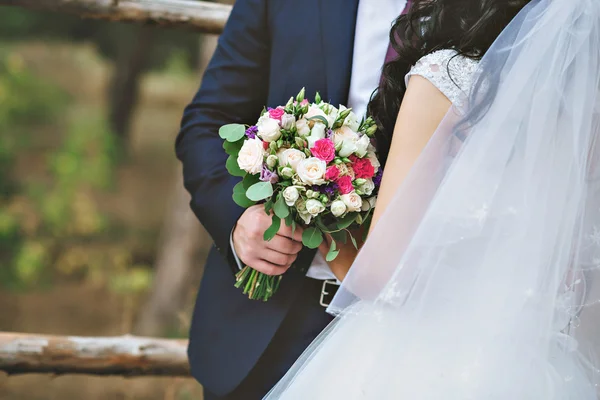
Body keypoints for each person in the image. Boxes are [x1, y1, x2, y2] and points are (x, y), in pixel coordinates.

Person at [265, 0, 600, 398]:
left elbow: (380, 276)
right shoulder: (584, 109)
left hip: (422, 360)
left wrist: (313, 205)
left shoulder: (447, 77)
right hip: (533, 367)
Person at [175, 0, 409, 398]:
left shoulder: (473, 13)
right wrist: (238, 221)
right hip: (264, 325)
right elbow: (208, 121)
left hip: (402, 328)